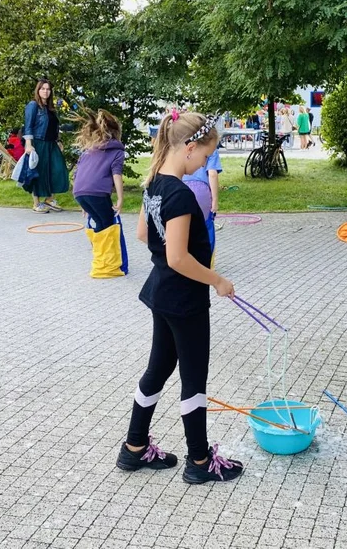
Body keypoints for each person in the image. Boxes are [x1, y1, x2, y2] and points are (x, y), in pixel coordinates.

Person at [118, 110, 243, 484]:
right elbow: (177, 257)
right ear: (189, 148)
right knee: (194, 378)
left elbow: (142, 233)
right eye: (205, 157)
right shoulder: (180, 194)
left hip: (162, 294)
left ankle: (134, 448)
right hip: (185, 299)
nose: (205, 164)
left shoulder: (154, 183)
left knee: (158, 369)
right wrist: (217, 280)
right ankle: (200, 462)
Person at [72, 109, 126, 231]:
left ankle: (98, 248)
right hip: (98, 192)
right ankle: (106, 250)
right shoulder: (117, 152)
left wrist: (83, 199)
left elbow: (77, 173)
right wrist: (120, 198)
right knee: (108, 223)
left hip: (79, 192)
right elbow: (117, 175)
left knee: (100, 223)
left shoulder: (89, 151)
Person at [22, 79, 70, 213]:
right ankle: (36, 203)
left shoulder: (51, 108)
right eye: (43, 89)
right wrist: (28, 144)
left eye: (48, 89)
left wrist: (58, 141)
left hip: (51, 143)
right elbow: (28, 126)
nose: (45, 91)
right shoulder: (33, 105)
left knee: (58, 169)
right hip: (38, 142)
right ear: (38, 90)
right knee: (38, 172)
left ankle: (49, 199)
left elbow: (54, 127)